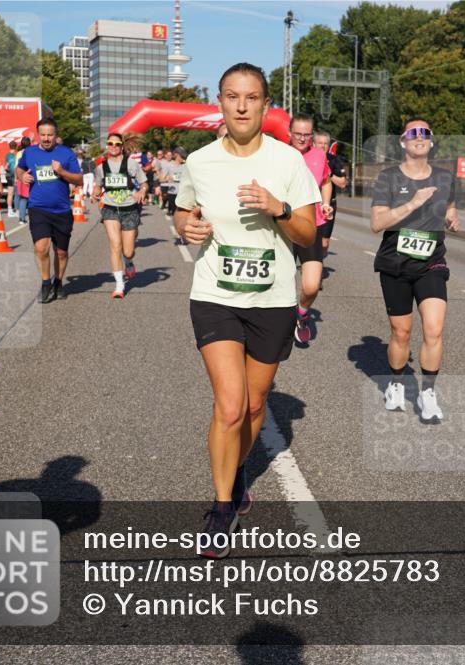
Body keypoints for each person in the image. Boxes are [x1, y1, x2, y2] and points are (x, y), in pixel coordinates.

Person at [174, 62, 319, 558]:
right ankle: (220, 507)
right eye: (232, 96)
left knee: (256, 406)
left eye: (251, 97)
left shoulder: (286, 162)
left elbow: (308, 234)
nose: (240, 105)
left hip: (273, 299)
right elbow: (182, 209)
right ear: (220, 100)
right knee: (231, 404)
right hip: (215, 294)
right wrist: (185, 228)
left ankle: (234, 472)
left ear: (264, 104)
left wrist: (278, 208)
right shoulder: (199, 161)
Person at [370, 117, 460, 422]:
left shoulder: (446, 178)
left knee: (434, 328)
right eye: (413, 133)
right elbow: (376, 223)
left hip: (432, 262)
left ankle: (428, 393)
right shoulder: (388, 178)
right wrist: (412, 203)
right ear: (403, 141)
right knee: (401, 331)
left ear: (431, 142)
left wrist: (451, 218)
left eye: (425, 133)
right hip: (395, 262)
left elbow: (449, 205)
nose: (419, 137)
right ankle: (396, 382)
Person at [16, 117, 83, 304]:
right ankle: (46, 282)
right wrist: (22, 176)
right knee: (41, 247)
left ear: (56, 135)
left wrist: (61, 171)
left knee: (61, 252)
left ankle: (58, 282)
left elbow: (79, 180)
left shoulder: (66, 153)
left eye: (50, 135)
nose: (46, 138)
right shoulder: (28, 152)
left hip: (61, 210)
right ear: (38, 135)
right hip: (38, 207)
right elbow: (18, 170)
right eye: (43, 135)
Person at [288, 113, 333, 344]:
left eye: (307, 134)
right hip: (282, 225)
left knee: (312, 285)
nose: (303, 138)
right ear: (289, 133)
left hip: (311, 224)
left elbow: (326, 182)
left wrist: (325, 203)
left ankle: (302, 314)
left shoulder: (319, 156)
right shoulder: (278, 154)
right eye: (298, 134)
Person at [92, 133, 147, 298]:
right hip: (110, 208)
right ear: (107, 145)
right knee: (115, 245)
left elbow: (144, 183)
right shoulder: (101, 167)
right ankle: (119, 285)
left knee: (128, 251)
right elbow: (98, 186)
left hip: (129, 209)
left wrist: (141, 192)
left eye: (117, 144)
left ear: (122, 146)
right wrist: (95, 193)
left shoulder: (131, 164)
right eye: (110, 143)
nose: (113, 146)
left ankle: (128, 262)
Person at [312, 130, 347, 257]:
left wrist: (328, 172)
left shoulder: (335, 160)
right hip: (310, 203)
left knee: (324, 242)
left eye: (326, 143)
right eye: (320, 143)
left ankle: (318, 262)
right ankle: (311, 265)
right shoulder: (306, 157)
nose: (323, 146)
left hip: (328, 205)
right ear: (314, 144)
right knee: (308, 237)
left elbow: (342, 183)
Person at [160, 148, 186, 215]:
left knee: (181, 213)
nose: (183, 158)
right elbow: (161, 179)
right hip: (172, 192)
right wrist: (169, 178)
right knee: (174, 212)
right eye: (182, 156)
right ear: (177, 155)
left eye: (184, 157)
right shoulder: (169, 166)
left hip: (182, 192)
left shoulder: (185, 166)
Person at [14, 136, 31, 225]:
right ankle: (24, 218)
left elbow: (16, 167)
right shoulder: (31, 152)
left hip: (20, 177)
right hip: (28, 176)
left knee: (22, 198)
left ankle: (21, 217)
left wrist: (16, 178)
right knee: (28, 198)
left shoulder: (19, 153)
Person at [5, 142, 18, 217]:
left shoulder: (7, 155)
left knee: (10, 193)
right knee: (16, 193)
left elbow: (6, 167)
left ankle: (9, 210)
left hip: (9, 175)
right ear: (16, 147)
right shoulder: (16, 155)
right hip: (15, 175)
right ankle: (16, 210)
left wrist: (8, 171)